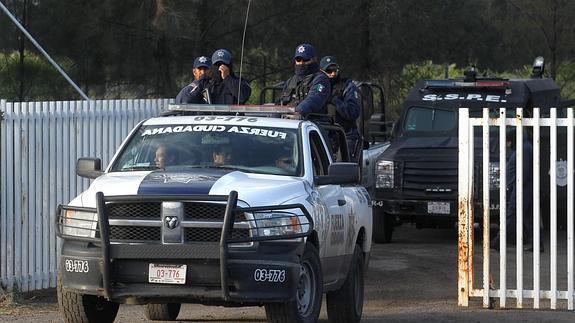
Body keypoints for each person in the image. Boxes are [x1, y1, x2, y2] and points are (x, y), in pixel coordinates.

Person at [320, 55, 362, 161]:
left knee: (341, 167)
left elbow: (353, 112)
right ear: (321, 72)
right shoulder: (316, 87)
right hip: (322, 133)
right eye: (329, 71)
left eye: (335, 70)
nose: (333, 73)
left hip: (344, 134)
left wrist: (334, 100)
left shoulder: (348, 87)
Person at [279, 43, 331, 118]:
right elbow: (280, 102)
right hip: (288, 122)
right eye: (298, 60)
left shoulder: (321, 79)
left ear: (314, 60)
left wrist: (297, 112)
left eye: (306, 60)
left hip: (313, 124)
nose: (301, 63)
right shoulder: (290, 81)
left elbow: (314, 99)